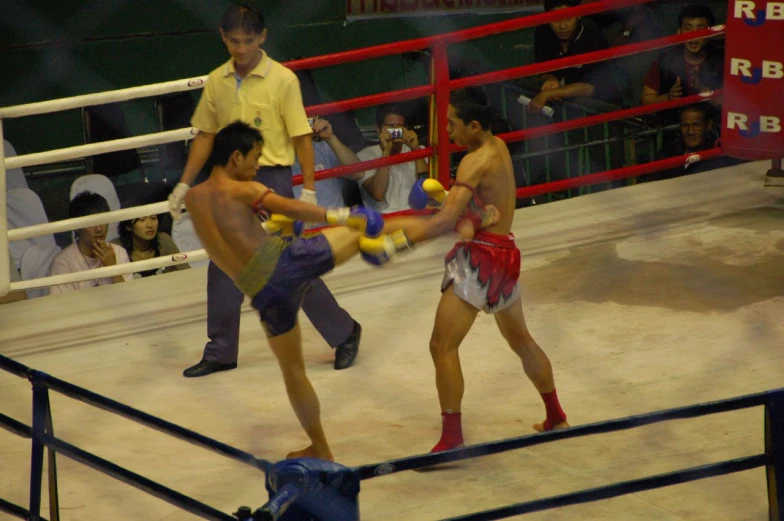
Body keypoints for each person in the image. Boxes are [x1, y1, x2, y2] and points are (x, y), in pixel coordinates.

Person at [360, 88, 569, 453]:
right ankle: (556, 415)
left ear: (474, 126)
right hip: (504, 252)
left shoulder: (474, 162)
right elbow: (475, 209)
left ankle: (452, 438)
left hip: (480, 262)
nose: (448, 131)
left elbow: (442, 222)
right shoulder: (498, 146)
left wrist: (397, 243)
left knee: (442, 346)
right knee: (521, 341)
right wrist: (467, 212)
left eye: (453, 125)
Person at [166, 4, 362, 376]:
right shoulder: (217, 81)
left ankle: (343, 331)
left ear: (262, 38)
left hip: (271, 177)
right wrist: (184, 182)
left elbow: (301, 137)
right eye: (233, 41)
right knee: (223, 264)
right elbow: (206, 136)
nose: (240, 48)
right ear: (223, 38)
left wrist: (306, 188)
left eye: (248, 41)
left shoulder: (283, 80)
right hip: (228, 181)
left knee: (284, 266)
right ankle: (221, 350)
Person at [184, 121, 383, 461]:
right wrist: (341, 213)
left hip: (259, 291)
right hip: (281, 264)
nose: (258, 165)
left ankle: (321, 448)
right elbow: (290, 208)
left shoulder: (193, 197)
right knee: (362, 228)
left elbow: (234, 230)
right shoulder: (242, 191)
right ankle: (413, 232)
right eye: (255, 158)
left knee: (293, 373)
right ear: (235, 157)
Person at [49, 192, 133, 294]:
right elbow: (62, 305)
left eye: (102, 220)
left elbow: (128, 297)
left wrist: (113, 269)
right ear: (77, 227)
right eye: (91, 223)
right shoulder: (63, 262)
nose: (98, 229)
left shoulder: (119, 252)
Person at [641, 4, 723, 106]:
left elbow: (732, 104)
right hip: (672, 120)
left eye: (700, 29)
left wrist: (701, 89)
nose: (693, 35)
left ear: (711, 33)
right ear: (679, 32)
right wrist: (667, 97)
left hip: (709, 120)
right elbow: (646, 99)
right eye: (688, 28)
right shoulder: (665, 60)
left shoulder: (723, 61)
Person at [355, 103, 429, 213]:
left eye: (400, 127)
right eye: (390, 127)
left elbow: (427, 188)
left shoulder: (419, 150)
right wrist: (386, 152)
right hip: (384, 220)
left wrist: (416, 150)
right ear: (378, 129)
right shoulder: (364, 156)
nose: (395, 132)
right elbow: (378, 194)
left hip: (416, 214)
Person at [292, 117, 361, 208]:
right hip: (296, 220)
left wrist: (330, 137)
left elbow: (358, 173)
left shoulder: (324, 148)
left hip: (334, 219)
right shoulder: (273, 158)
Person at [111, 214, 190, 277]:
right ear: (128, 226)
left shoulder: (163, 240)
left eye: (153, 218)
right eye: (142, 219)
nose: (150, 225)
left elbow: (187, 272)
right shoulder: (115, 248)